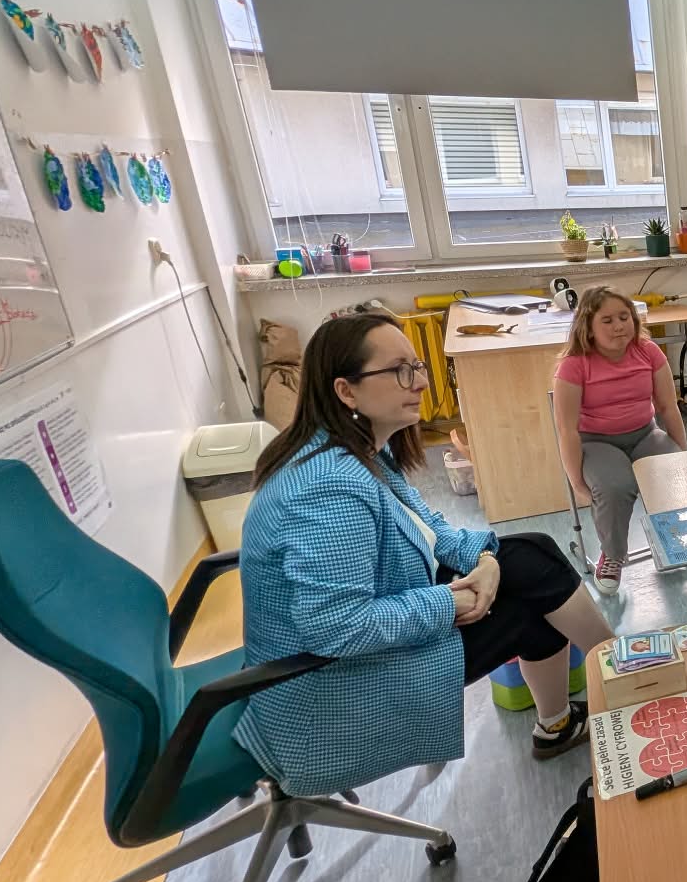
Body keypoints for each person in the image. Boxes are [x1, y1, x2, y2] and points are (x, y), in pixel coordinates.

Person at [238, 314, 611, 795]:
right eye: (399, 371)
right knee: (533, 597)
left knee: (530, 560)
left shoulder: (358, 449)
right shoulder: (328, 489)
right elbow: (338, 627)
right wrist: (451, 602)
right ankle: (624, 679)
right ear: (346, 391)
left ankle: (578, 708)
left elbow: (428, 526)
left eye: (416, 367)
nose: (419, 381)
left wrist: (485, 561)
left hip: (351, 644)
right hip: (328, 693)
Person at [552, 286, 687, 594]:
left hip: (645, 433)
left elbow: (668, 407)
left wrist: (682, 453)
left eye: (624, 317)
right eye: (608, 320)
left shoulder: (648, 351)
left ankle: (673, 538)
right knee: (614, 487)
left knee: (673, 471)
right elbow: (567, 430)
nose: (619, 326)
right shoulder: (574, 365)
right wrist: (577, 482)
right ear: (588, 327)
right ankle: (612, 556)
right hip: (596, 442)